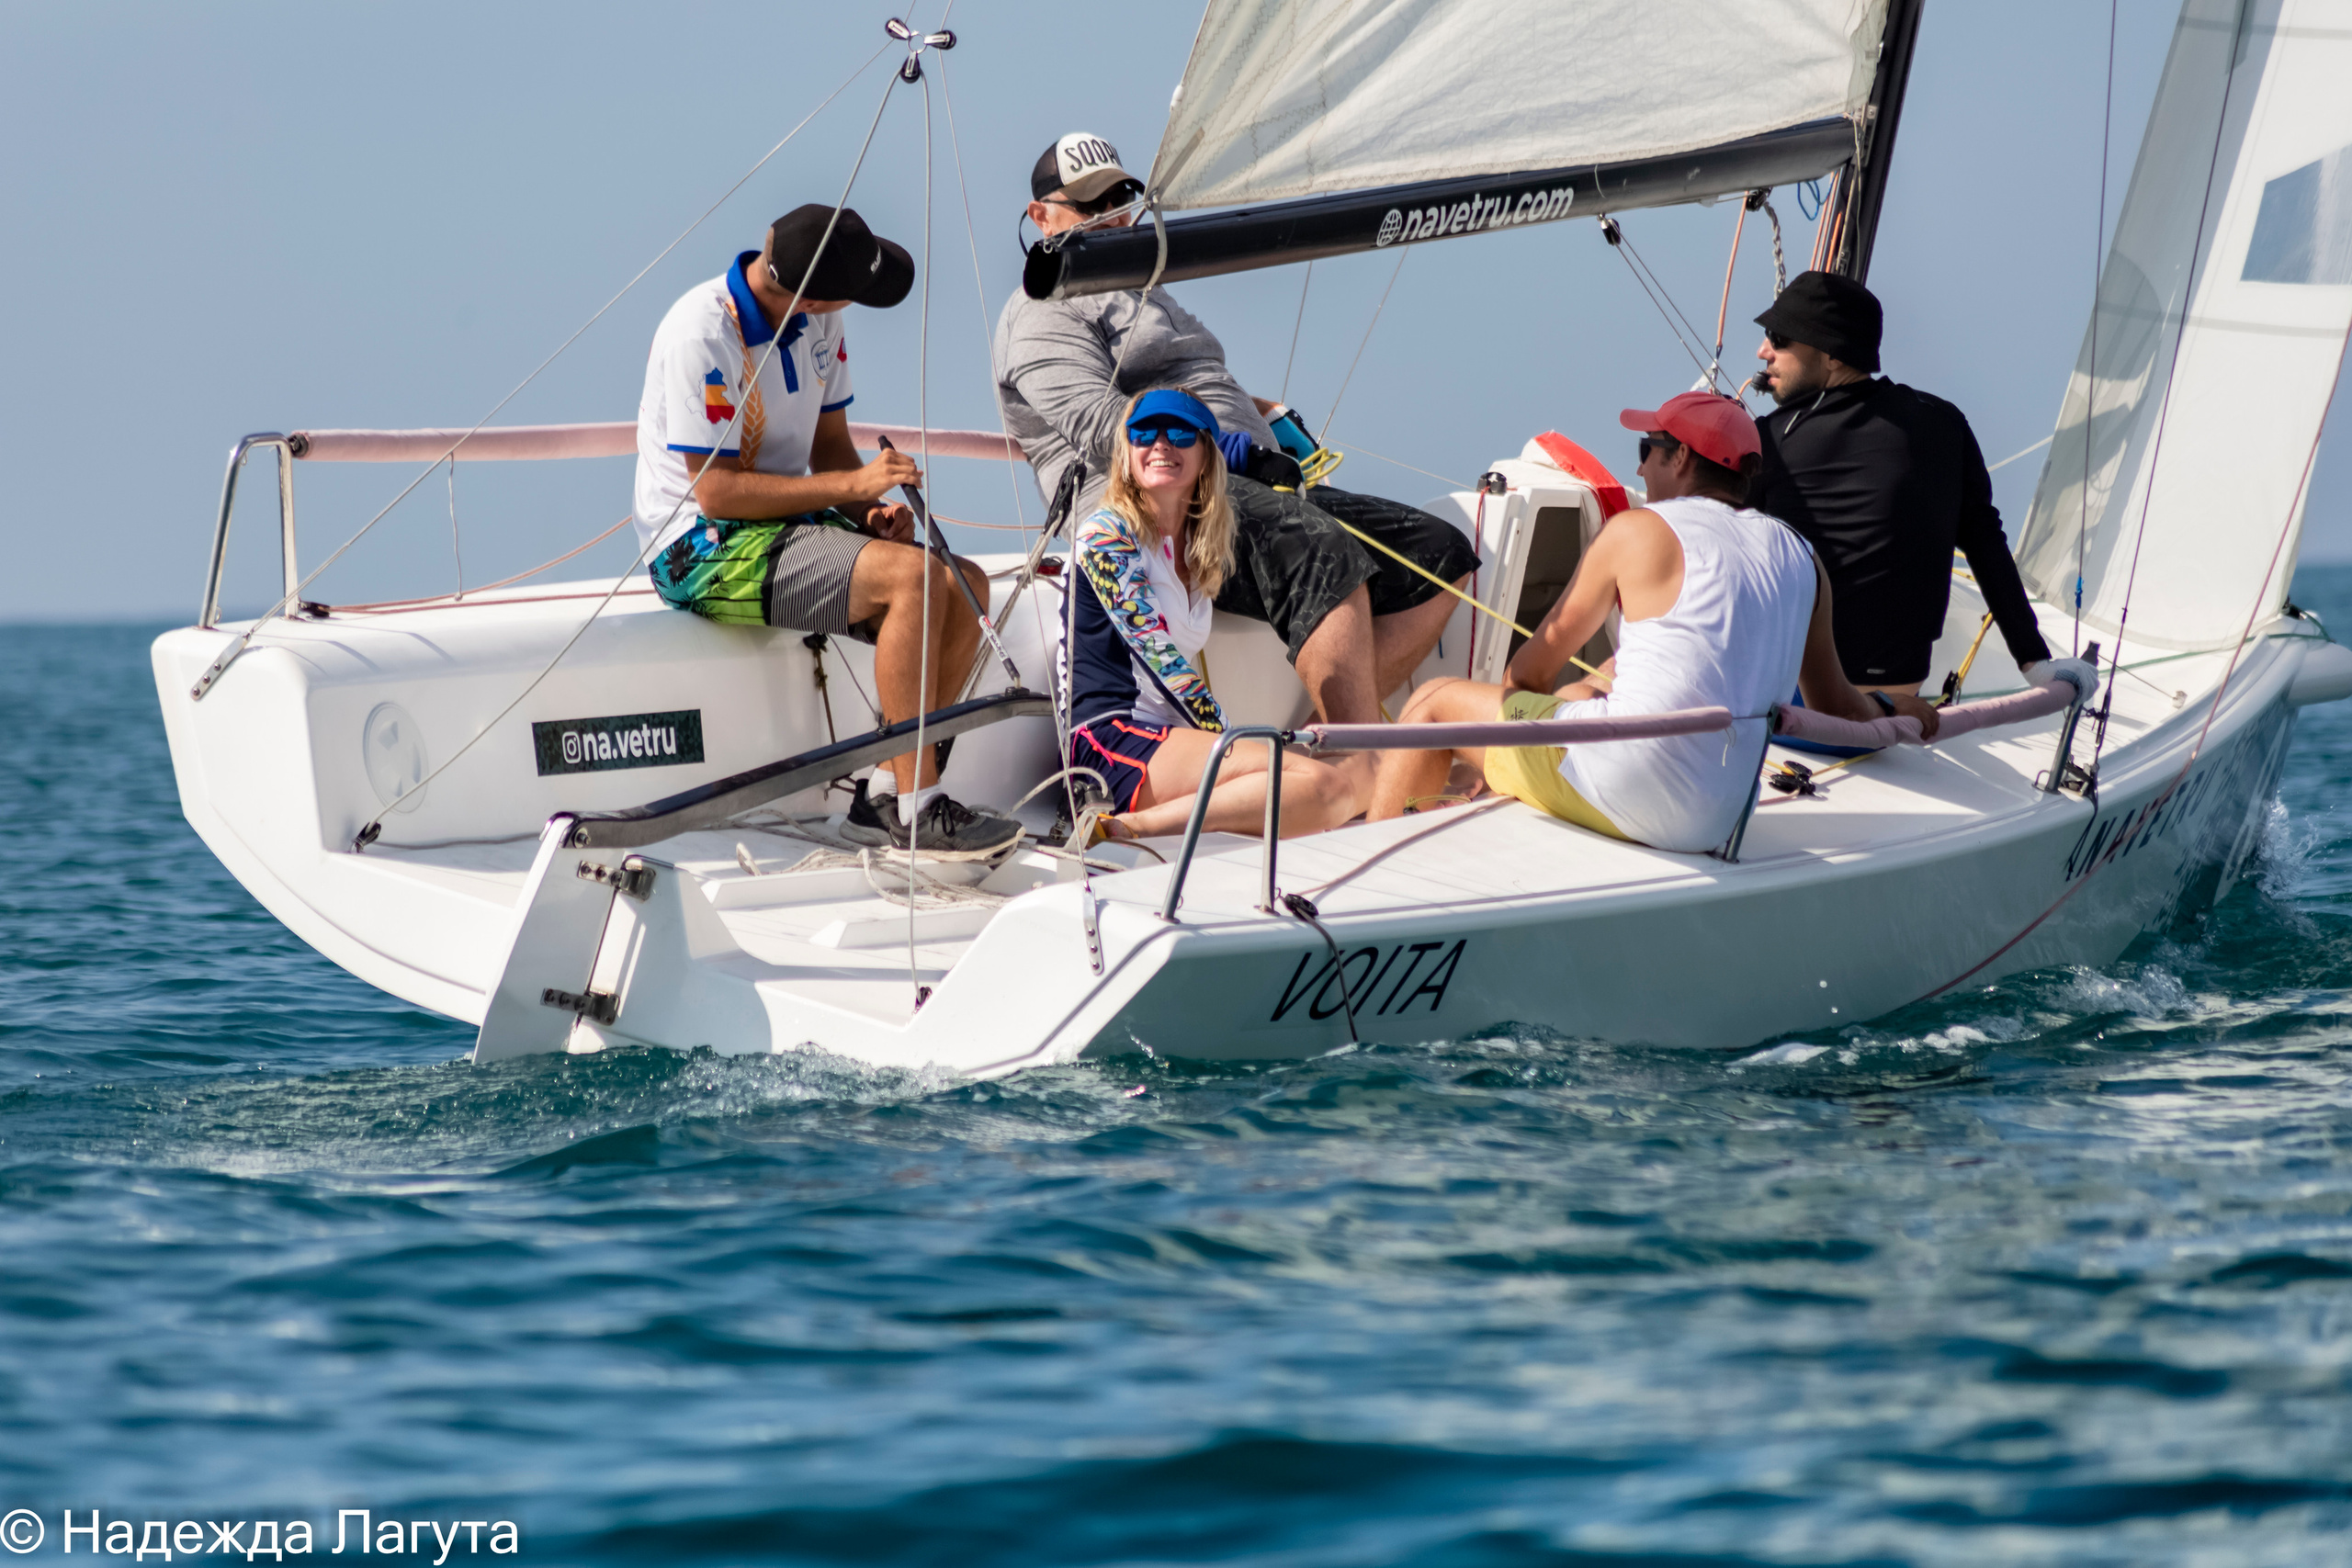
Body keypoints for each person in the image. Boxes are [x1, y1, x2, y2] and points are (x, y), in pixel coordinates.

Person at [995, 131, 1479, 730]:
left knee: (1440, 551)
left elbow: (1189, 377)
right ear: (1040, 217)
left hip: (1247, 484)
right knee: (1321, 550)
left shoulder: (1139, 289)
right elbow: (1107, 429)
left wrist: (1264, 417)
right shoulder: (1040, 313)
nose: (1113, 220)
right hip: (1161, 507)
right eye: (1092, 207)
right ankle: (1363, 766)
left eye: (1120, 203)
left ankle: (1321, 745)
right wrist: (1233, 451)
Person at [635, 204, 1018, 852]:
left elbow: (831, 446)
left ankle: (884, 796)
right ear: (811, 298)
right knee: (917, 581)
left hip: (785, 522)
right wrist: (851, 487)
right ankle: (918, 809)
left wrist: (869, 512)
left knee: (967, 582)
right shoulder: (701, 335)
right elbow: (719, 493)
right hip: (697, 543)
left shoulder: (820, 318)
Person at [1368, 392, 1900, 853]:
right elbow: (1836, 707)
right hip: (1719, 816)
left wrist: (1518, 738)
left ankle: (1364, 873)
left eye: (1647, 451)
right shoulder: (1801, 555)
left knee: (1435, 704)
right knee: (1588, 685)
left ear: (1683, 457)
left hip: (1627, 791)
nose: (1640, 469)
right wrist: (1897, 710)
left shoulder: (1637, 530)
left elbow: (1525, 678)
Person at [1752, 270, 2057, 721]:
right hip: (1894, 702)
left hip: (1791, 703)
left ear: (1833, 356)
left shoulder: (1770, 437)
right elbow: (1985, 542)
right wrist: (2035, 661)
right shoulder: (1943, 421)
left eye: (1779, 339)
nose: (1763, 352)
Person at [1066, 388, 1366, 842]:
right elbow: (1159, 660)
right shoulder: (1106, 535)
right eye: (1144, 431)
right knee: (1323, 784)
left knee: (1347, 783)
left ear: (1206, 453)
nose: (1161, 444)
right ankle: (1126, 828)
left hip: (1166, 740)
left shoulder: (1196, 552)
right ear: (1128, 452)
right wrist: (1236, 740)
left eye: (1181, 432)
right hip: (1110, 743)